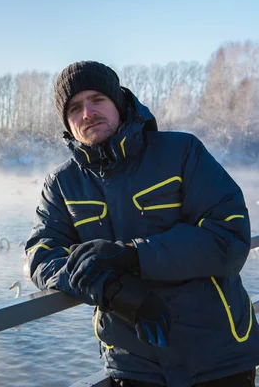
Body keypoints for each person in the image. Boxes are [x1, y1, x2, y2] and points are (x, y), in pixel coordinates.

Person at [25, 61, 259, 387]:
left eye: (97, 99)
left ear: (119, 102)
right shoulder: (63, 185)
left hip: (218, 357)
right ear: (67, 122)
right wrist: (114, 292)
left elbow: (229, 237)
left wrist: (133, 256)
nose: (87, 113)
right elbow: (41, 255)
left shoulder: (181, 152)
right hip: (134, 365)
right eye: (74, 108)